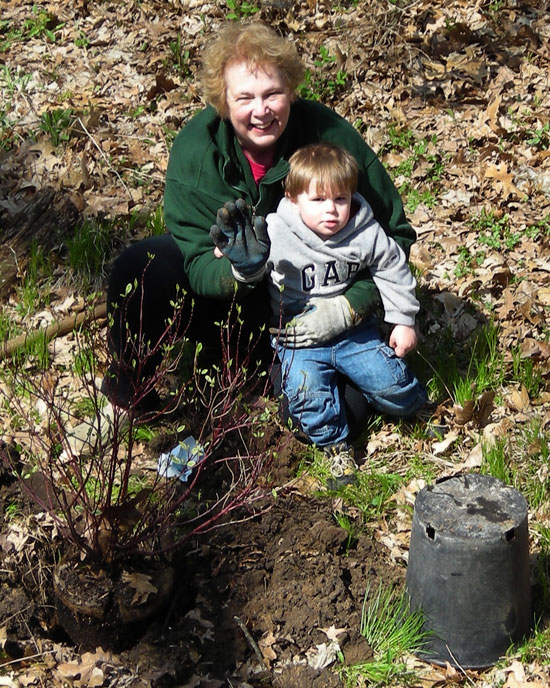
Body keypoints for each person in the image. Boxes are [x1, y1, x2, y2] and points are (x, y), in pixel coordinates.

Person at [104, 20, 423, 435]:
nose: (261, 111)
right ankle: (133, 396)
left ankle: (288, 379)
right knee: (140, 267)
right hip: (232, 305)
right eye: (245, 98)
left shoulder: (330, 139)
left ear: (290, 90)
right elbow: (199, 262)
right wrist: (240, 270)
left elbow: (393, 234)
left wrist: (350, 306)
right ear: (223, 102)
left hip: (315, 303)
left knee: (350, 412)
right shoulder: (196, 152)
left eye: (273, 94)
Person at [265, 142, 427, 487]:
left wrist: (404, 319)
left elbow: (393, 268)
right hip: (299, 337)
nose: (332, 211)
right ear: (294, 199)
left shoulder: (364, 231)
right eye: (318, 200)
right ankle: (335, 447)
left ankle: (416, 404)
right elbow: (245, 256)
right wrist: (229, 256)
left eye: (340, 199)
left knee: (392, 385)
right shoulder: (276, 231)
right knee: (306, 393)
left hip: (353, 332)